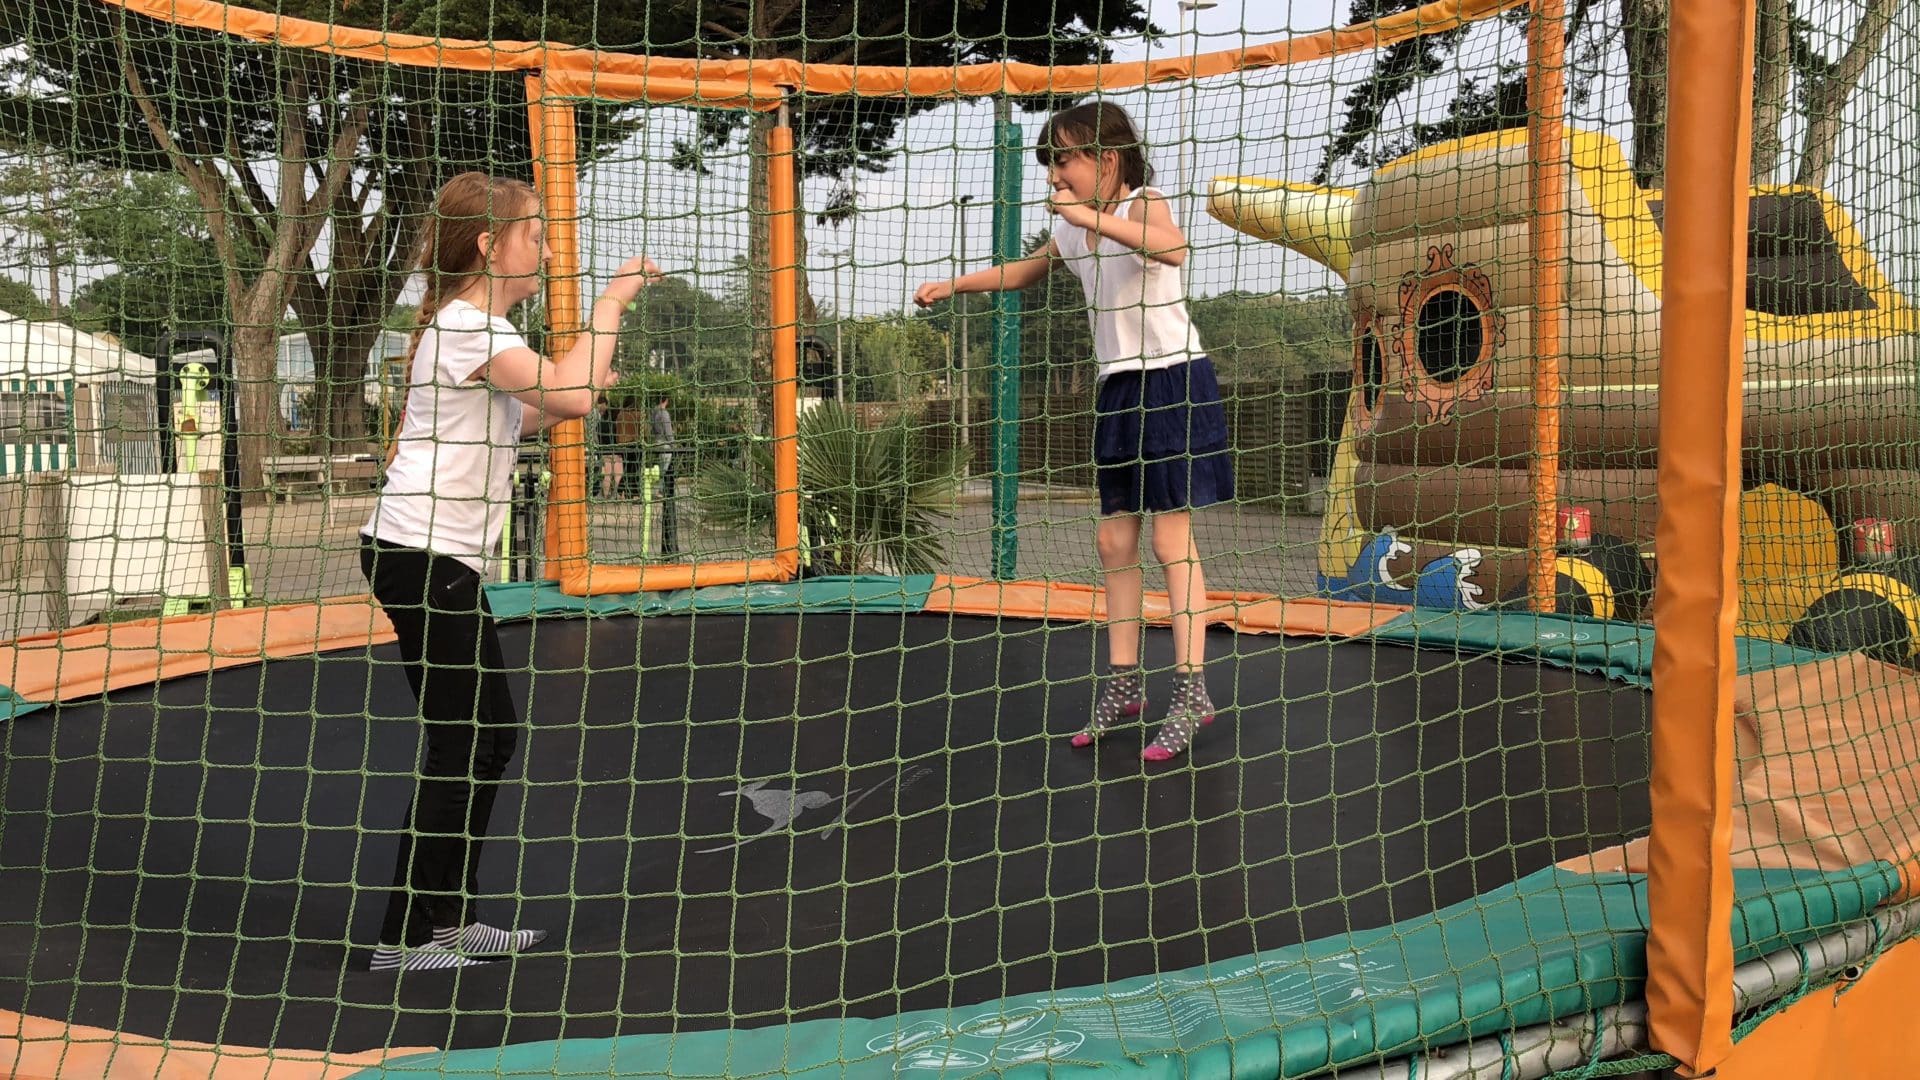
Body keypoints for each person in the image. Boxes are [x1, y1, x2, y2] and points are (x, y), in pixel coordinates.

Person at [361, 171, 662, 971]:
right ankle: (406, 939)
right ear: (492, 246)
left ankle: (449, 920)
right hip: (419, 556)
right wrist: (610, 306)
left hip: (436, 558)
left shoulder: (479, 336)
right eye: (537, 234)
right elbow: (568, 385)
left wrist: (589, 367)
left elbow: (561, 403)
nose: (548, 249)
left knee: (487, 736)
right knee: (467, 739)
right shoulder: (468, 327)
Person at [913, 102, 1233, 762]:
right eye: (1049, 161)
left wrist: (1087, 216)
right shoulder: (1068, 233)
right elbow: (1022, 272)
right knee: (1114, 536)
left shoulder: (1144, 204)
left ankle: (1192, 687)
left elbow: (1172, 247)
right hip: (1119, 387)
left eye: (1063, 159)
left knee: (1173, 537)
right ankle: (1123, 682)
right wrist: (952, 285)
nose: (1054, 173)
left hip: (1173, 381)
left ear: (1106, 159)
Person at [650, 396, 679, 555]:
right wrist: (674, 445)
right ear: (666, 400)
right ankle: (659, 490)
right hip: (665, 443)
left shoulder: (653, 412)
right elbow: (668, 430)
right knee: (664, 467)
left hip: (656, 441)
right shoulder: (664, 413)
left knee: (661, 466)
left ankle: (658, 489)